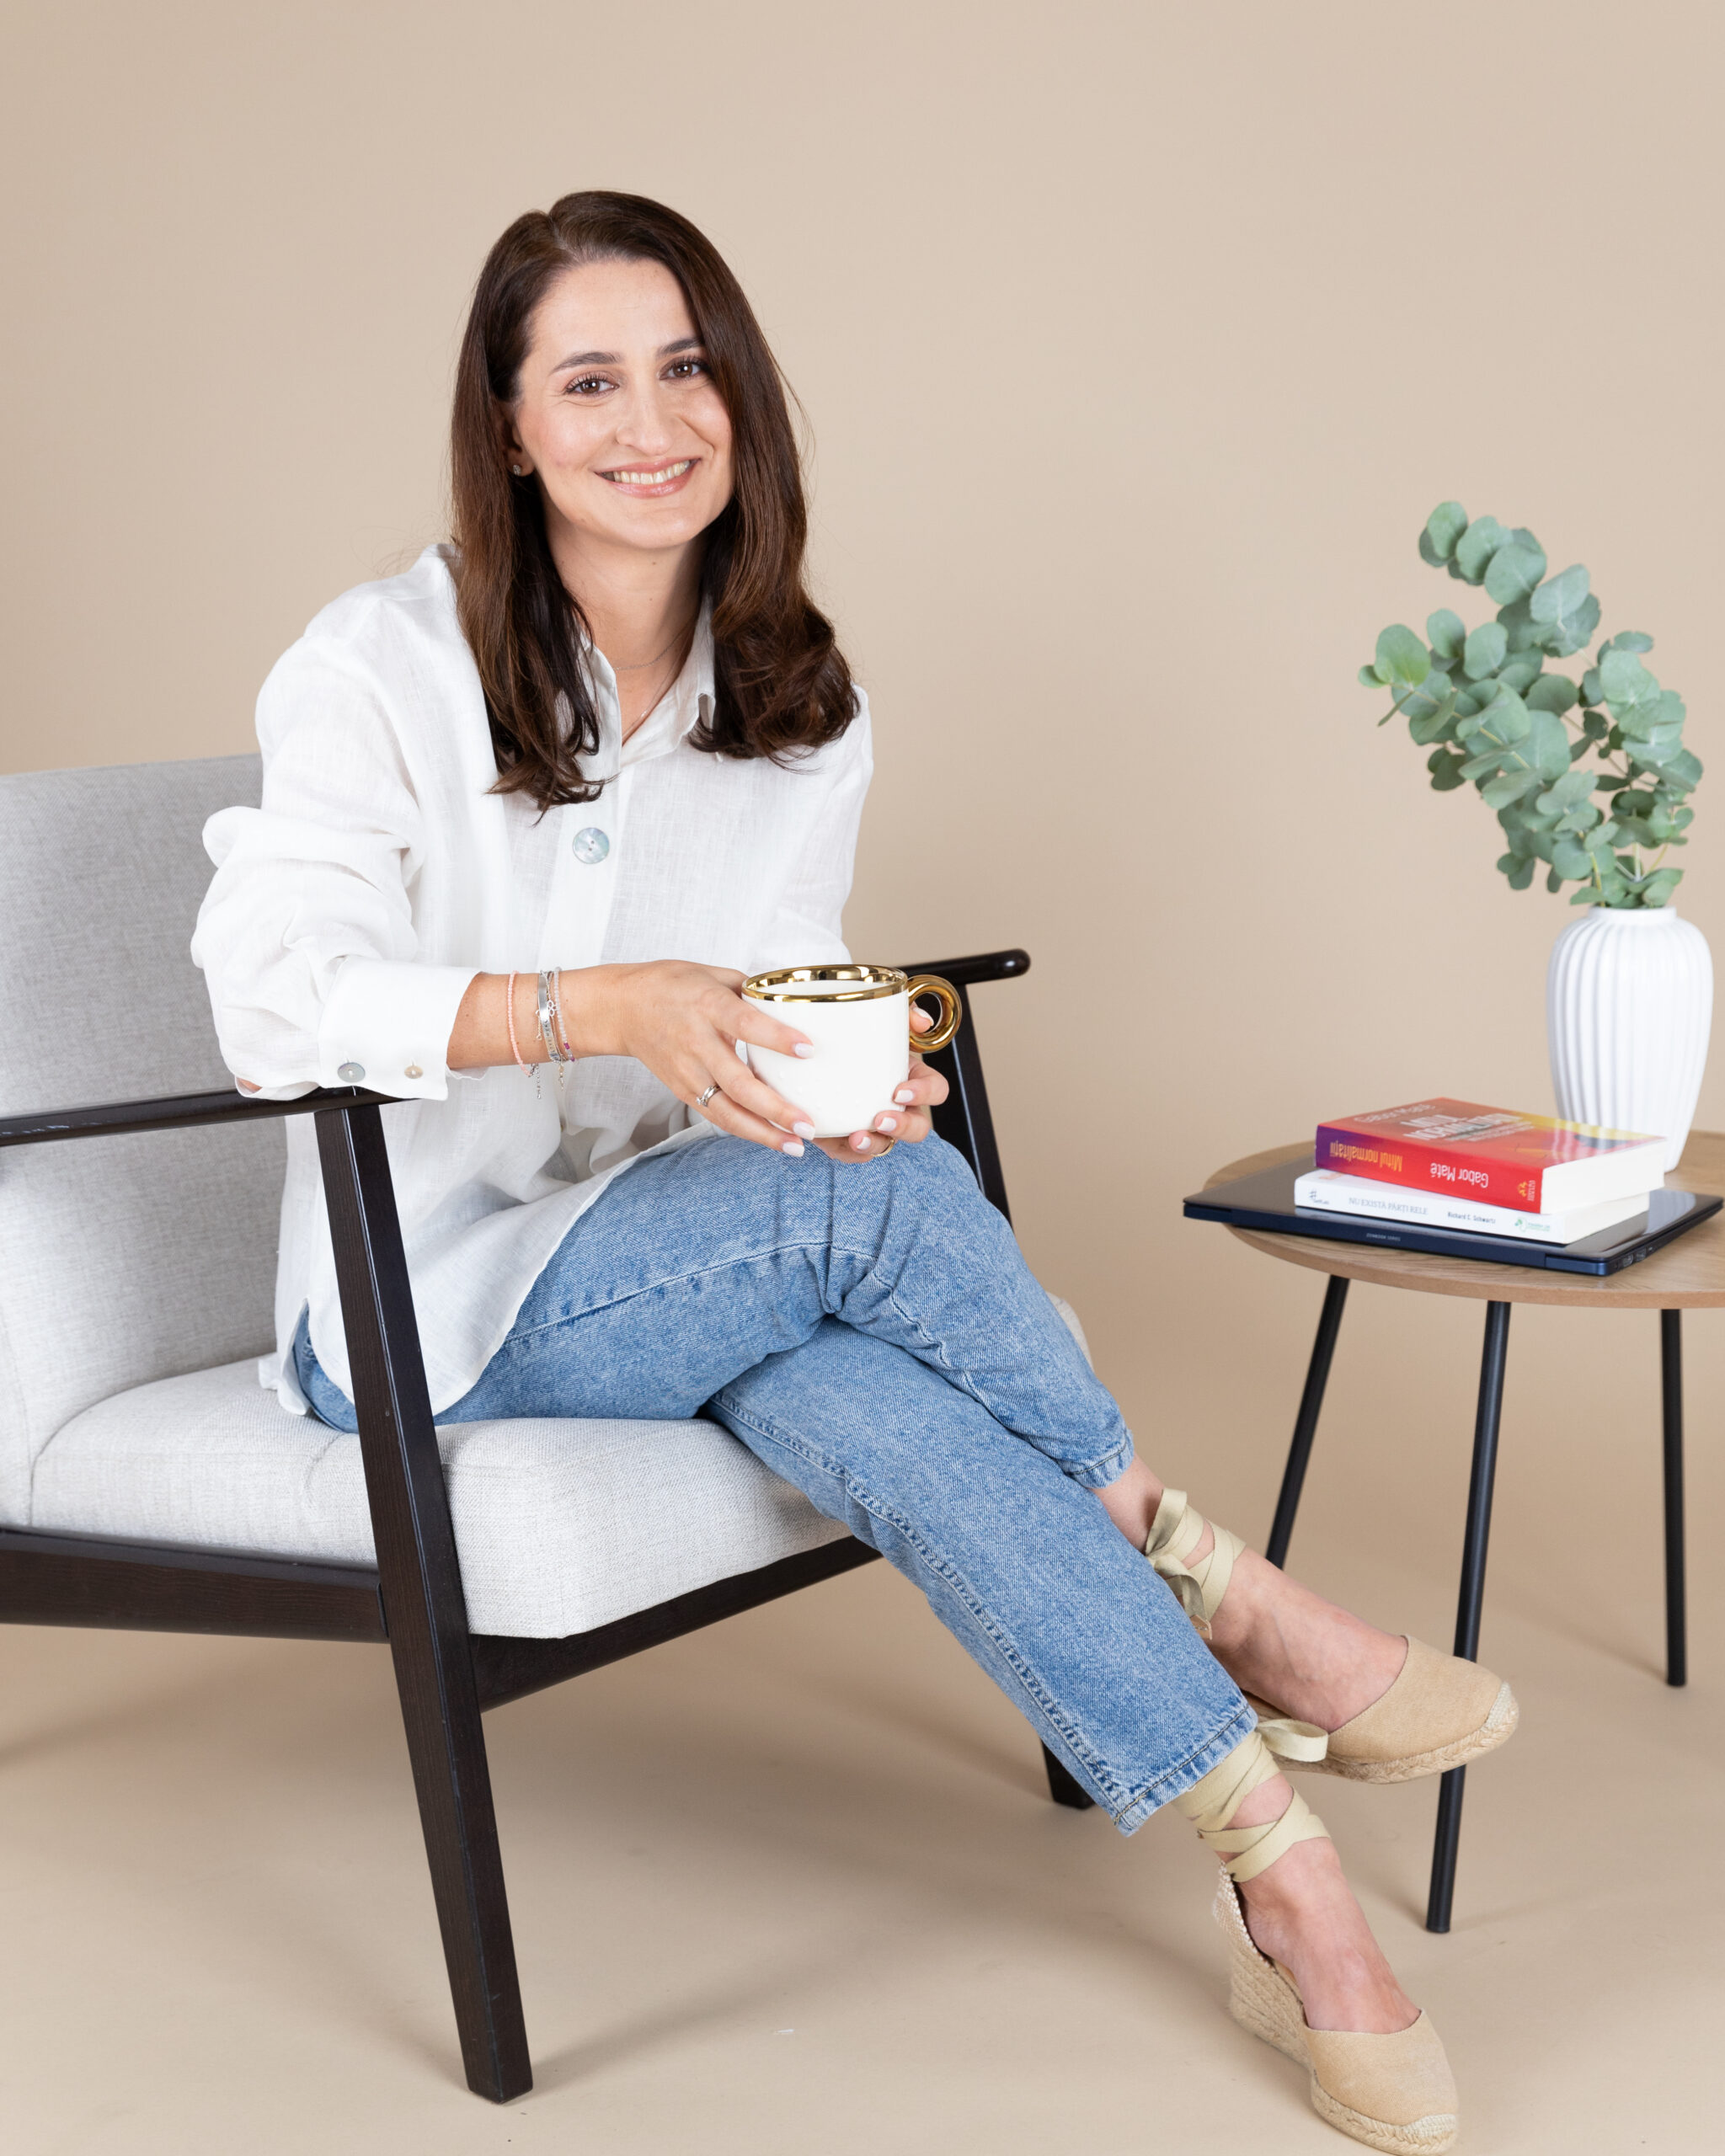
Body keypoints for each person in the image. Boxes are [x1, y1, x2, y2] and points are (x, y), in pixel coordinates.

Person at [193, 190, 1514, 2152]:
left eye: (686, 366)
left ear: (742, 396)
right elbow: (269, 1004)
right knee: (855, 1219)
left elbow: (769, 999)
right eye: (587, 380)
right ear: (511, 429)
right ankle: (1210, 1575)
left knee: (878, 1379)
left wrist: (841, 1085)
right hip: (427, 1306)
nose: (651, 420)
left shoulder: (797, 696)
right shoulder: (377, 666)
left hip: (699, 1251)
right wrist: (600, 1006)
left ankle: (1285, 1877)